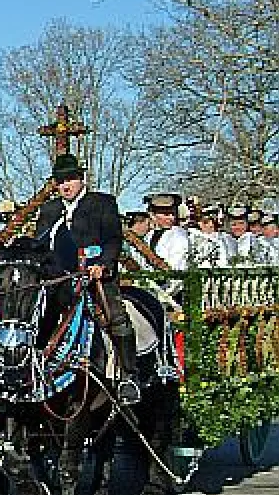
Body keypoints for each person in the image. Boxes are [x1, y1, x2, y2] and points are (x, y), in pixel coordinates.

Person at [38, 153, 140, 404]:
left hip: (95, 275)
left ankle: (129, 376)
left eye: (70, 179)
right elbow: (40, 243)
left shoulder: (102, 203)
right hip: (60, 279)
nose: (65, 185)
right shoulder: (50, 210)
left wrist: (104, 264)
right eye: (60, 180)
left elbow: (114, 239)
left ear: (81, 179)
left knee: (115, 315)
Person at [144, 192, 191, 270]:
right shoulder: (149, 235)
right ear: (152, 215)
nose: (171, 217)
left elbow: (177, 268)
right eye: (166, 214)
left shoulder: (179, 235)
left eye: (173, 213)